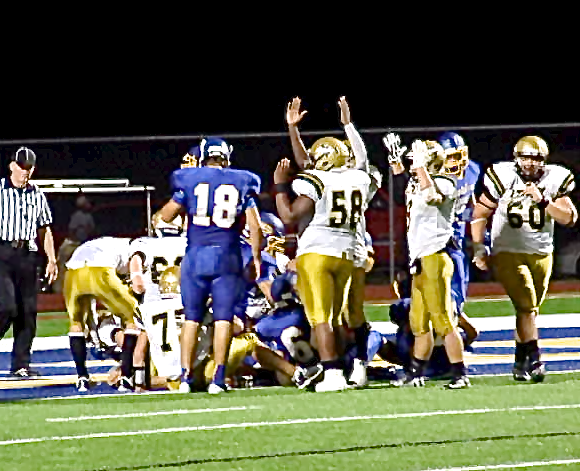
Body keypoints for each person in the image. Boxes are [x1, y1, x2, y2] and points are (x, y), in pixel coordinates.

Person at [286, 96, 380, 388]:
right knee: (341, 317)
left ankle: (335, 371)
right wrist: (348, 126)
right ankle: (347, 367)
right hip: (347, 253)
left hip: (322, 249)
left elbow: (292, 211)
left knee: (324, 318)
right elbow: (359, 161)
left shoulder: (317, 180)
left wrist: (279, 186)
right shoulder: (358, 179)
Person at [160, 137, 263, 394]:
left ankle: (185, 377)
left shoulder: (190, 179)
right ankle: (218, 378)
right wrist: (257, 257)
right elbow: (255, 226)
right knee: (223, 319)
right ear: (226, 157)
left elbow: (166, 216)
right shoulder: (242, 180)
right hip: (226, 256)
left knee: (191, 318)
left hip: (195, 256)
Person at [471, 135, 578, 382]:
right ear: (516, 158)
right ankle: (535, 359)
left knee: (529, 311)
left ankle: (519, 363)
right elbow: (479, 214)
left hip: (542, 252)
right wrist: (479, 247)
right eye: (525, 157)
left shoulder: (554, 179)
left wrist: (544, 201)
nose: (530, 163)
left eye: (536, 158)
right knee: (527, 306)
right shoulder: (503, 176)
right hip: (507, 250)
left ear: (544, 160)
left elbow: (568, 219)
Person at [395, 139, 469, 389]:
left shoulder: (446, 181)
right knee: (418, 321)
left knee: (443, 320)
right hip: (419, 259)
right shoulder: (418, 180)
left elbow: (432, 196)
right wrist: (398, 163)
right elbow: (406, 189)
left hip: (436, 256)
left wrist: (420, 167)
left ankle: (460, 373)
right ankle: (415, 373)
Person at [0, 147, 58, 378]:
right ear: (12, 165)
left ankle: (21, 363)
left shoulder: (37, 194)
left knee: (28, 312)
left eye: (29, 168)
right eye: (22, 167)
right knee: (6, 306)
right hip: (3, 251)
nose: (25, 172)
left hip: (27, 254)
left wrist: (52, 259)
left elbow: (45, 228)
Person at [64, 236, 142, 392]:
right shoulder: (136, 249)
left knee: (76, 324)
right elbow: (135, 277)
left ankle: (82, 379)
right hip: (100, 269)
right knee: (133, 317)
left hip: (73, 270)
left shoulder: (107, 242)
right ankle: (126, 377)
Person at [54, 194, 97, 293]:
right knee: (64, 268)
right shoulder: (77, 216)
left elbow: (91, 232)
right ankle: (59, 290)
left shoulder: (88, 217)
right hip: (72, 244)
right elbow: (72, 231)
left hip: (81, 245)